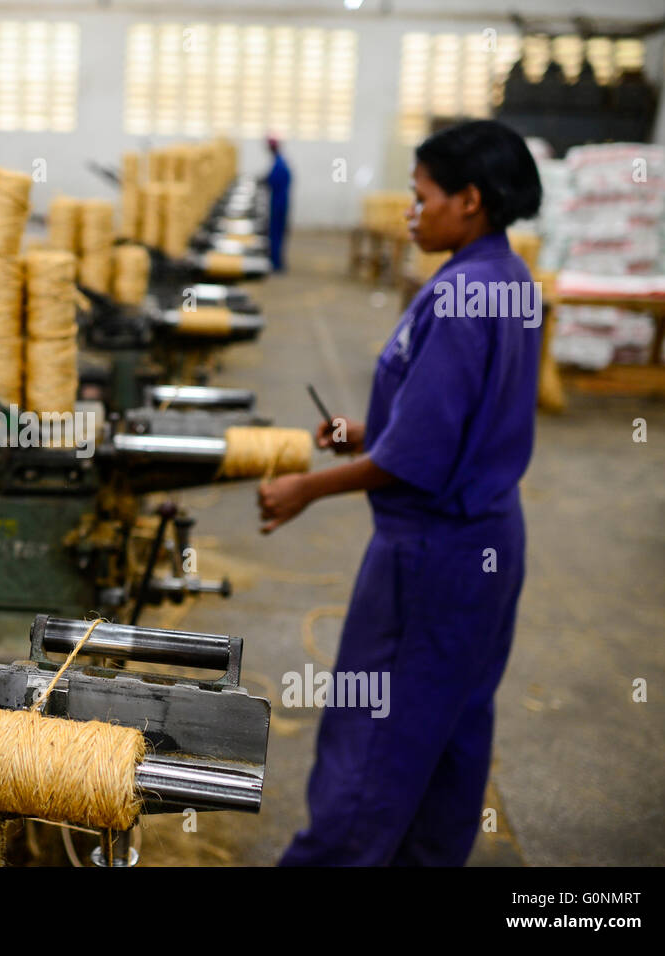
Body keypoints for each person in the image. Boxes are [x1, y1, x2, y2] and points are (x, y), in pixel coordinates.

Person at [259, 120, 543, 865]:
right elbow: (453, 424)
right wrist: (368, 433)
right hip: (488, 545)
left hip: (432, 559)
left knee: (374, 746)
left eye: (421, 198)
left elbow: (418, 459)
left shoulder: (458, 299)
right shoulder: (508, 280)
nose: (409, 213)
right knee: (449, 731)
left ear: (470, 200)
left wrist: (308, 489)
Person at [264, 137, 291, 272]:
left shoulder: (279, 164)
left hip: (278, 202)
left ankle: (276, 263)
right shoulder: (280, 162)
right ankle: (277, 261)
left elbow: (273, 181)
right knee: (278, 232)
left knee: (276, 232)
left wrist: (265, 180)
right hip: (281, 201)